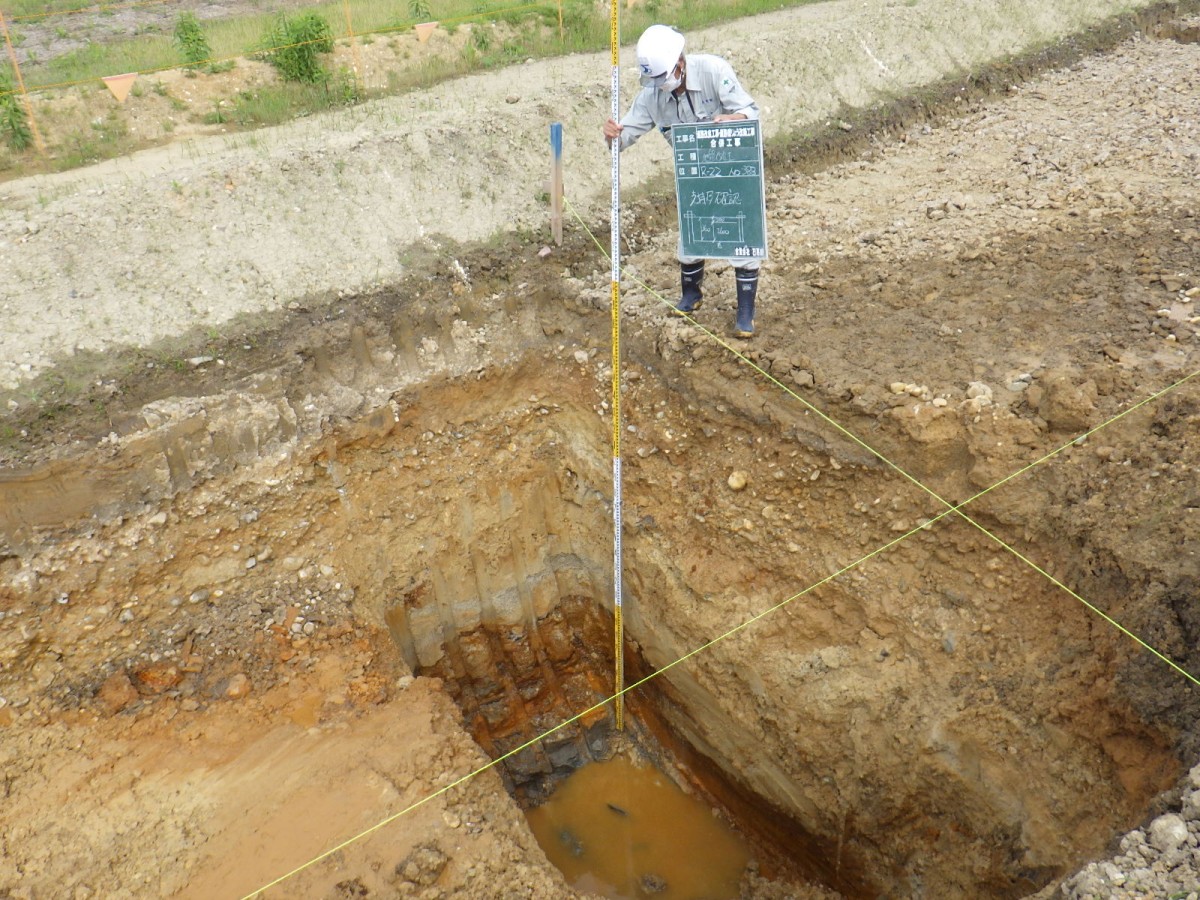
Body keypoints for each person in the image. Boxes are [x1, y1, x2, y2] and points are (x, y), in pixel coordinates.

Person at [603, 24, 762, 338]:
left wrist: (734, 118)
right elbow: (622, 139)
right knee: (691, 233)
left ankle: (745, 313)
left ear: (679, 62)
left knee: (744, 236)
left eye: (664, 77)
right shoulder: (652, 95)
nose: (661, 85)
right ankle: (691, 295)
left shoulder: (714, 71)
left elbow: (751, 111)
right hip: (693, 175)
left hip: (733, 168)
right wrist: (611, 136)